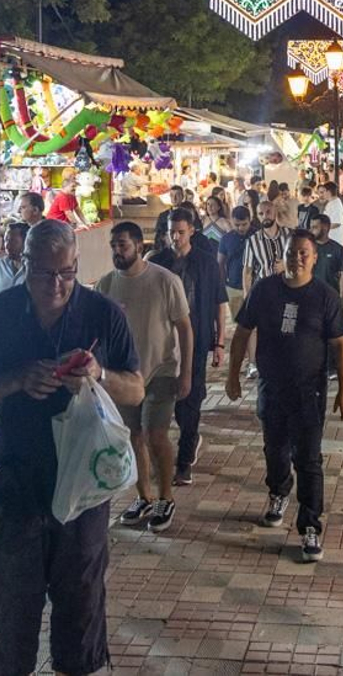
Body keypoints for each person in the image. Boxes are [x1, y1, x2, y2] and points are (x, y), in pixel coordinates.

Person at [0, 220, 144, 676]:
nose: (57, 285)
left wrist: (99, 375)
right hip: (15, 485)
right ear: (24, 266)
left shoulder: (102, 314)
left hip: (84, 489)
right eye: (44, 274)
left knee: (81, 618)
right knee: (14, 618)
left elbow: (137, 389)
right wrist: (18, 379)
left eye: (67, 273)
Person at [224, 229, 343, 563]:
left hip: (309, 390)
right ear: (283, 254)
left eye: (304, 253)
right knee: (275, 449)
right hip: (272, 386)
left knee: (308, 459)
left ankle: (310, 525)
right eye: (292, 252)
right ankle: (278, 492)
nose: (298, 258)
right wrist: (233, 375)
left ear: (313, 257)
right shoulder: (265, 290)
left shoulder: (325, 296)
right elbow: (242, 333)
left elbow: (340, 344)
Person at [95, 223, 191, 531]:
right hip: (123, 375)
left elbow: (185, 328)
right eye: (113, 246)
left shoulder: (164, 280)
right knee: (132, 435)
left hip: (161, 369)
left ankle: (166, 495)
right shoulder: (107, 285)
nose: (117, 251)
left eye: (122, 245)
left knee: (155, 434)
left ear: (138, 245)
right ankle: (143, 495)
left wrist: (186, 372)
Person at [148, 208, 229, 487]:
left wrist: (219, 342)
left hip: (196, 341)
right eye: (172, 232)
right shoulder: (157, 263)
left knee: (190, 400)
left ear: (192, 230)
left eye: (181, 232)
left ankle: (183, 462)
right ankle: (172, 451)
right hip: (162, 345)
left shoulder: (206, 263)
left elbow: (220, 303)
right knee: (162, 401)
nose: (176, 237)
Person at [217, 205, 253, 317]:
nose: (241, 228)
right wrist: (222, 284)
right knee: (237, 321)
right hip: (233, 286)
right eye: (237, 225)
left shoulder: (258, 236)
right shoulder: (226, 239)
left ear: (250, 220)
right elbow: (220, 263)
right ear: (231, 221)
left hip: (255, 286)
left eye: (244, 224)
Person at [309, 214, 343, 301]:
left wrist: (342, 298)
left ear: (325, 228)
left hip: (331, 297)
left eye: (315, 227)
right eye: (311, 227)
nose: (311, 230)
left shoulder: (338, 249)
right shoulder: (307, 249)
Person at [0, 222, 30, 298]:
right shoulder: (0, 265)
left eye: (12, 241)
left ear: (26, 242)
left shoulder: (35, 268)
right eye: (6, 240)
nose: (7, 246)